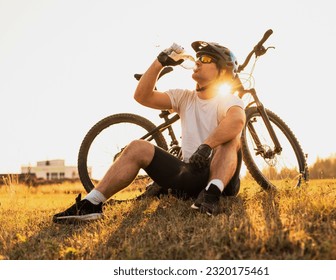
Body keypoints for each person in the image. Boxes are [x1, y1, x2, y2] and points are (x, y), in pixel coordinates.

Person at [53, 40, 246, 223]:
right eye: (198, 57)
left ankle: (211, 194)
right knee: (138, 146)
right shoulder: (184, 98)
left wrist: (206, 146)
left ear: (222, 72)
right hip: (191, 176)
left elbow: (237, 120)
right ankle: (91, 204)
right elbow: (142, 96)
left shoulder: (227, 99)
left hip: (223, 181)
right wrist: (159, 63)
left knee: (232, 139)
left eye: (205, 59)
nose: (198, 61)